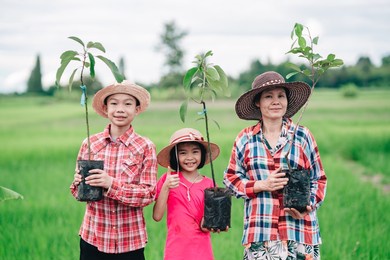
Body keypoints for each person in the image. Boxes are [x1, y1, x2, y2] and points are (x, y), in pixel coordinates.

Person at [223, 71, 327, 260]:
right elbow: (231, 178)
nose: (275, 101)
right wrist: (261, 185)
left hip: (300, 231)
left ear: (287, 100)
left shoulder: (302, 135)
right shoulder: (245, 139)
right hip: (261, 234)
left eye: (281, 96)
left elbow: (318, 179)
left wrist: (308, 206)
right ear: (258, 102)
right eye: (268, 96)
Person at [70, 81, 158, 260]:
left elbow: (148, 194)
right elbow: (76, 191)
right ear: (106, 108)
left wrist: (110, 184)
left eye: (128, 104)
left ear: (137, 109)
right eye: (114, 103)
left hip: (130, 242)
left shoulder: (145, 147)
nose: (120, 109)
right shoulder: (90, 143)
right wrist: (78, 183)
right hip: (93, 237)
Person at [152, 128, 222, 260]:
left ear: (202, 154)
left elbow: (206, 226)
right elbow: (157, 216)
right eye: (183, 153)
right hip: (175, 252)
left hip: (202, 252)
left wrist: (214, 222)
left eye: (195, 152)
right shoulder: (169, 179)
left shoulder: (209, 184)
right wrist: (166, 186)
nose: (190, 158)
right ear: (175, 156)